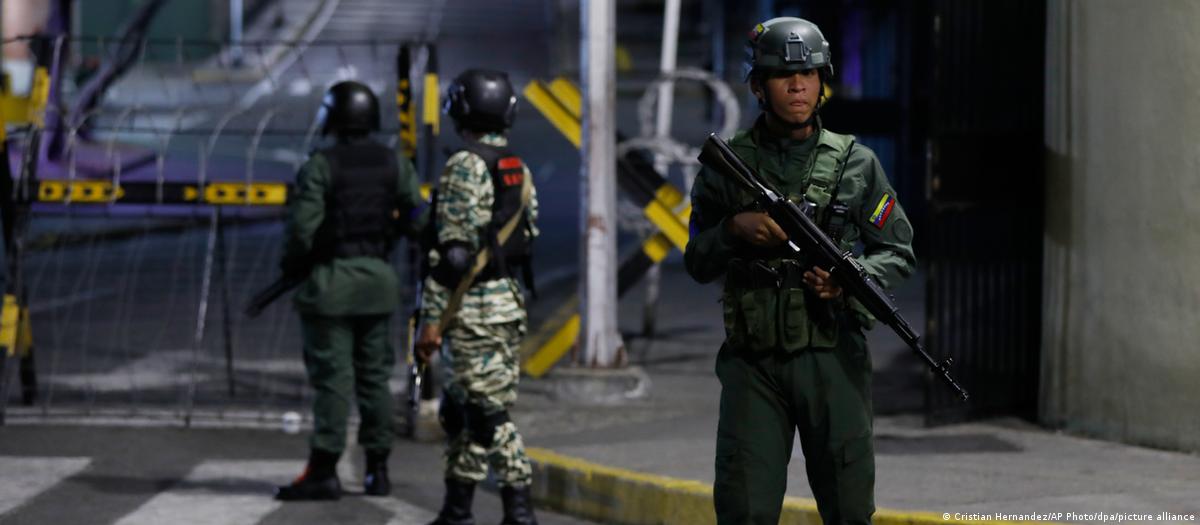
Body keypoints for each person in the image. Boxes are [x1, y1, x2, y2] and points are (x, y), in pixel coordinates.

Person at [685, 17, 916, 525]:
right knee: (744, 508)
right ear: (758, 87)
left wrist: (848, 281)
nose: (798, 86)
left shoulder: (856, 164)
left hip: (832, 357)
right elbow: (697, 260)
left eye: (809, 74)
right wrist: (733, 230)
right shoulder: (728, 165)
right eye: (783, 75)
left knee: (849, 508)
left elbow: (898, 252)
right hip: (754, 362)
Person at [275, 80, 427, 501]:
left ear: (333, 118)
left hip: (331, 286)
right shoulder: (395, 164)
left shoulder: (321, 166)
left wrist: (293, 265)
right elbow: (417, 217)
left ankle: (324, 469)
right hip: (378, 283)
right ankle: (378, 469)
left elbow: (301, 230)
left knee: (333, 380)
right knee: (375, 378)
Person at [415, 68, 539, 525]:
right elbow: (527, 236)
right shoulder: (515, 167)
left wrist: (431, 320)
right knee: (465, 409)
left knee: (488, 414)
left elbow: (454, 257)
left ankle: (520, 511)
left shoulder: (464, 165)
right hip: (505, 302)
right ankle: (457, 509)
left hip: (471, 310)